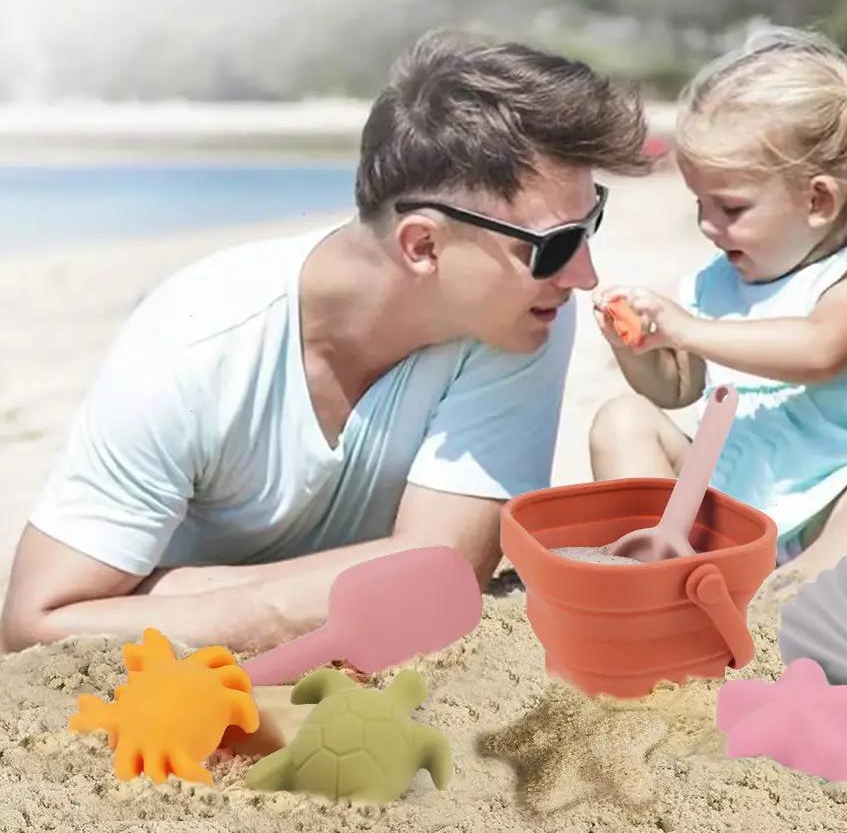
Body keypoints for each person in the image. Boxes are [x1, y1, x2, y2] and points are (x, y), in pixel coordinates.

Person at [1, 32, 650, 654]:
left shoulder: (520, 315)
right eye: (557, 245)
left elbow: (445, 573)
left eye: (590, 223)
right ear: (422, 245)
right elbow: (34, 623)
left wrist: (169, 594)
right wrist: (287, 606)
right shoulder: (194, 347)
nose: (584, 275)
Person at [589, 27, 847, 578]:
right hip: (726, 508)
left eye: (730, 207)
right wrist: (640, 346)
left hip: (832, 504)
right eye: (700, 203)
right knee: (623, 419)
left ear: (818, 200)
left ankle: (799, 585)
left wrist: (688, 329)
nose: (707, 226)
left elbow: (819, 350)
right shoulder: (713, 282)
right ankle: (656, 574)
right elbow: (676, 390)